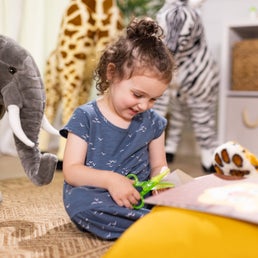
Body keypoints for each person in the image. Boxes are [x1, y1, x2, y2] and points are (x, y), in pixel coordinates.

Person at [60, 17, 175, 240]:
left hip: (139, 193)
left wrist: (162, 181)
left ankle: (152, 222)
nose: (144, 105)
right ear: (111, 73)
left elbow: (159, 165)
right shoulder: (86, 116)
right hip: (96, 191)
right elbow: (72, 171)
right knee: (81, 205)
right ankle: (154, 226)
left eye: (154, 99)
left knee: (179, 198)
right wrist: (112, 180)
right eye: (138, 95)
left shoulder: (153, 122)